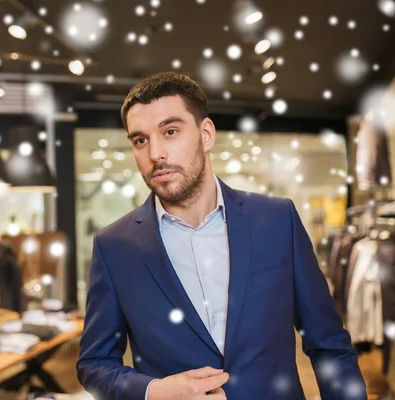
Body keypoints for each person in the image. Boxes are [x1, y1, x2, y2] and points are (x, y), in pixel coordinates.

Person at [76, 72, 366, 400]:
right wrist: (154, 391)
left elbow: (330, 345)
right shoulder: (114, 246)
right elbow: (95, 363)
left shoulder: (276, 220)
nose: (156, 153)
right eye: (140, 140)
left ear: (206, 134)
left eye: (170, 131)